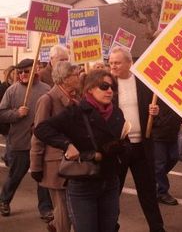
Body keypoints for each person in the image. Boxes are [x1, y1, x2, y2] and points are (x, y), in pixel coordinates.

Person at [34, 69, 127, 232]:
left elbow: (125, 145)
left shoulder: (117, 113)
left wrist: (121, 147)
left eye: (112, 87)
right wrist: (67, 145)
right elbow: (42, 129)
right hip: (83, 184)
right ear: (90, 88)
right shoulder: (76, 112)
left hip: (110, 181)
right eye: (104, 86)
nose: (110, 90)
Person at [108, 46, 165, 232]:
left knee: (147, 191)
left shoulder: (144, 83)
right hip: (119, 147)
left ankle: (157, 228)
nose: (113, 66)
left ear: (129, 63)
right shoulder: (108, 85)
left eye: (117, 62)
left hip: (142, 146)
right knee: (113, 191)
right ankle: (110, 226)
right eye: (110, 63)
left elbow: (158, 109)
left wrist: (156, 112)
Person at [30, 62, 81, 232]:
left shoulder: (76, 99)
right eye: (76, 74)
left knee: (72, 210)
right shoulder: (47, 100)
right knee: (63, 212)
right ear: (65, 79)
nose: (79, 76)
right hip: (55, 165)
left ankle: (54, 227)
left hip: (73, 163)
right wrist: (35, 166)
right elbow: (38, 134)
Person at [0, 59, 52, 219]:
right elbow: (1, 113)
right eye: (20, 72)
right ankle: (4, 200)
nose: (22, 74)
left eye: (26, 71)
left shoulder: (46, 90)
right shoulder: (12, 91)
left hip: (41, 142)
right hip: (20, 142)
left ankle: (45, 209)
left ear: (35, 70)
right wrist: (17, 114)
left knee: (42, 177)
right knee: (15, 175)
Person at [152, 99, 182, 205]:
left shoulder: (175, 97)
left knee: (174, 158)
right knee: (159, 164)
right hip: (158, 134)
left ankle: (155, 178)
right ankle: (162, 192)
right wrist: (158, 121)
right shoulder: (154, 95)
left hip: (172, 133)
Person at [0, 65, 16, 166]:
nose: (16, 75)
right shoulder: (4, 87)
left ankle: (6, 156)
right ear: (9, 74)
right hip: (5, 118)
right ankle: (9, 160)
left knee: (10, 139)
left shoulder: (16, 86)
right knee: (10, 139)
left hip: (13, 117)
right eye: (14, 73)